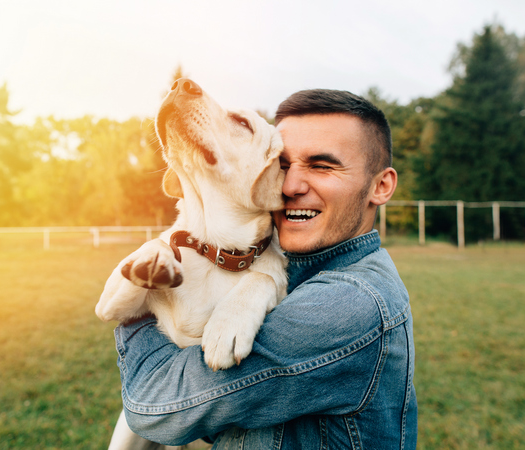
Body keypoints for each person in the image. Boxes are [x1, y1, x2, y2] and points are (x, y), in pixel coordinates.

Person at [114, 89, 418, 449]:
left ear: (381, 186)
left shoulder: (351, 304)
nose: (289, 186)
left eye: (322, 166)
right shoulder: (286, 268)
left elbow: (159, 406)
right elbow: (219, 422)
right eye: (283, 165)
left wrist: (137, 305)